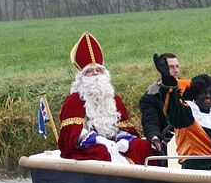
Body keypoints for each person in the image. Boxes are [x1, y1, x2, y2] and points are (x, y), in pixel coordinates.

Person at [58, 32, 154, 165]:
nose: (95, 74)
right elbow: (72, 135)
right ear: (82, 77)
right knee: (102, 152)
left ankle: (146, 182)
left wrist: (123, 139)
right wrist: (99, 140)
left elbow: (125, 127)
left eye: (98, 70)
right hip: (87, 146)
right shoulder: (74, 100)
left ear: (104, 73)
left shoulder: (114, 98)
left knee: (142, 146)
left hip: (115, 141)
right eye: (89, 72)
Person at [138, 53, 191, 157]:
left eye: (177, 66)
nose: (176, 70)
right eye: (171, 67)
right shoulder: (150, 97)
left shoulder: (190, 89)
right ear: (161, 69)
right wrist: (154, 137)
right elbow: (150, 121)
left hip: (193, 137)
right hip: (171, 143)